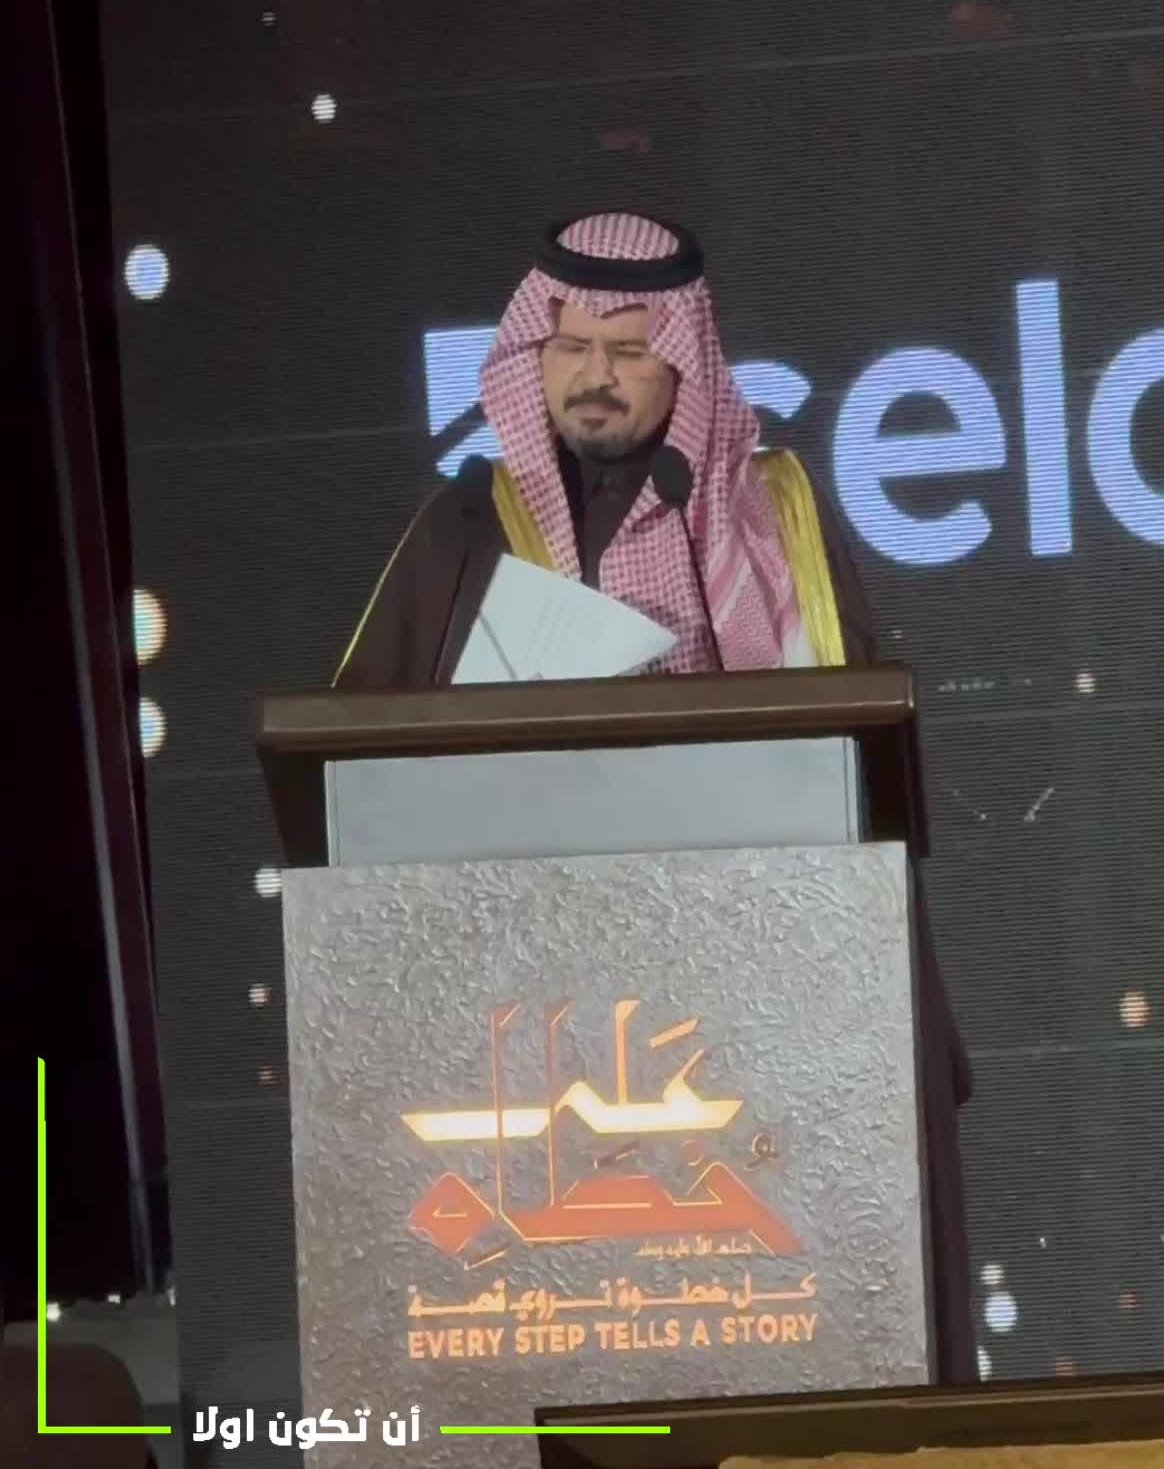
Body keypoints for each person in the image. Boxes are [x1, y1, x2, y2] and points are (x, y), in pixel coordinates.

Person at [335, 210, 975, 1380]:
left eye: (629, 350)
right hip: (531, 1016)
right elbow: (357, 765)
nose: (595, 374)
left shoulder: (775, 512)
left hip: (764, 979)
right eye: (571, 345)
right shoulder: (467, 528)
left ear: (682, 363)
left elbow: (859, 756)